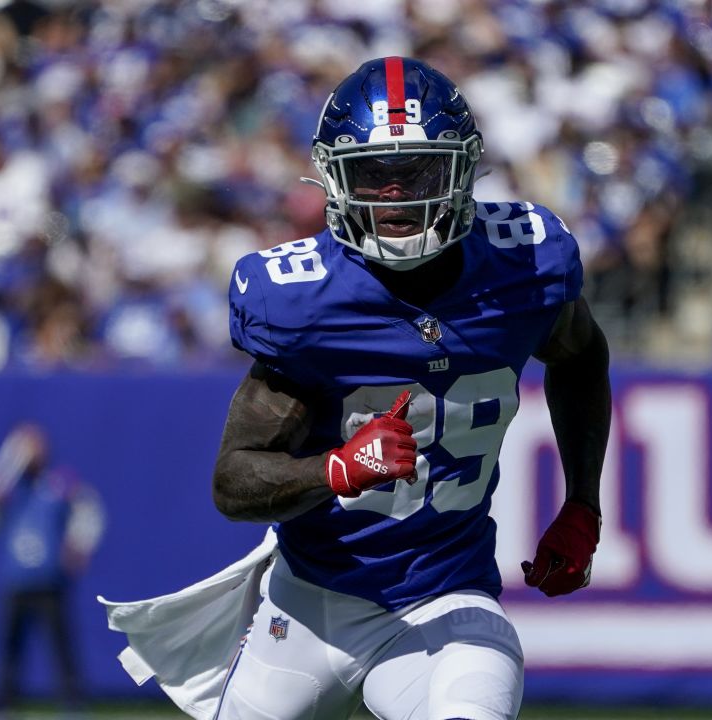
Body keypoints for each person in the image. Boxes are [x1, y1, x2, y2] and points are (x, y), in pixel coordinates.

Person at [209, 57, 612, 719]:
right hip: (310, 605)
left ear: (461, 171)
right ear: (335, 177)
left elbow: (581, 355)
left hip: (447, 599)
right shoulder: (301, 303)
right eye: (373, 173)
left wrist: (584, 503)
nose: (395, 196)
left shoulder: (526, 264)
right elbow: (232, 479)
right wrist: (336, 467)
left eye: (416, 171)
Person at [0, 423, 106, 713]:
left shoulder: (60, 483)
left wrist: (79, 544)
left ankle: (73, 704)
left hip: (50, 580)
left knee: (61, 646)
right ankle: (1, 705)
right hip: (15, 580)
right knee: (9, 649)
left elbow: (88, 510)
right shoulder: (5, 488)